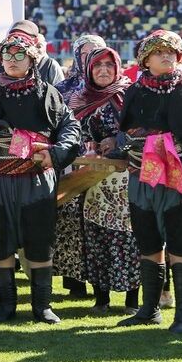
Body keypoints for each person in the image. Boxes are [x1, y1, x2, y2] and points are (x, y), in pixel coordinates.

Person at [0, 30, 81, 324]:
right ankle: (5, 306)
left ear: (32, 58)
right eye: (7, 55)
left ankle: (42, 306)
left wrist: (56, 154)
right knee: (0, 240)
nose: (13, 60)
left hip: (37, 179)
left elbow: (71, 129)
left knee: (39, 238)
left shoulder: (48, 94)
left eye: (20, 54)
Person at [115, 29, 182, 334]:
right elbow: (123, 131)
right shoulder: (133, 92)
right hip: (141, 181)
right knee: (148, 244)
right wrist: (126, 143)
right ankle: (149, 309)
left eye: (171, 51)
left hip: (178, 182)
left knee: (181, 246)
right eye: (159, 51)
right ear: (146, 58)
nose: (166, 55)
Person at [68, 47, 141, 314]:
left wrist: (118, 142)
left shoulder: (130, 95)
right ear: (88, 69)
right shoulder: (79, 99)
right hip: (91, 182)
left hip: (126, 180)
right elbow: (68, 132)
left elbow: (141, 130)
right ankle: (102, 299)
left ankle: (132, 301)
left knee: (130, 239)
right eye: (97, 66)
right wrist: (86, 146)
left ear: (117, 68)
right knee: (97, 239)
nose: (103, 71)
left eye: (109, 66)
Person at [52, 33, 107, 298]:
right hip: (72, 163)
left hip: (105, 166)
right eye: (86, 53)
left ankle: (102, 284)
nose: (91, 58)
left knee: (100, 222)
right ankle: (75, 284)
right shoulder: (63, 89)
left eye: (98, 52)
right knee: (71, 221)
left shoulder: (115, 86)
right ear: (77, 56)